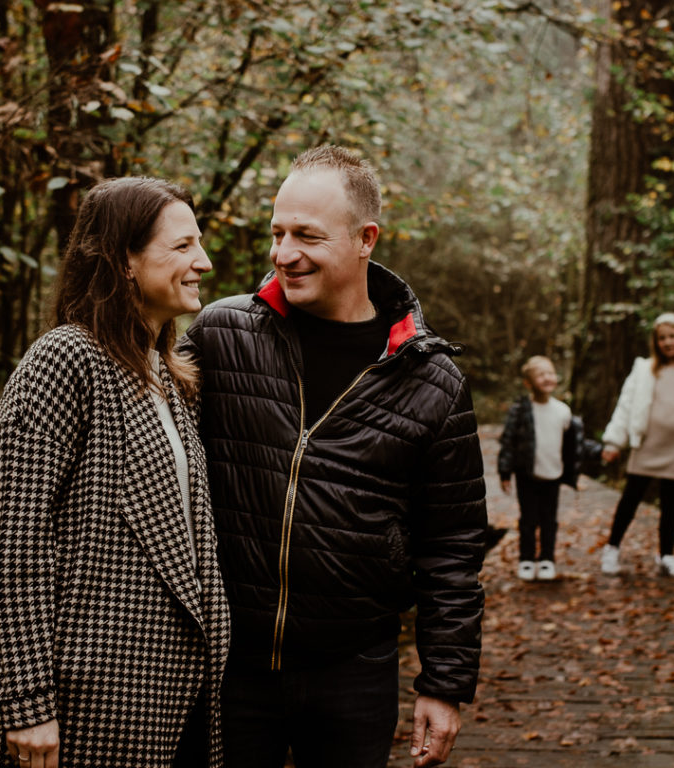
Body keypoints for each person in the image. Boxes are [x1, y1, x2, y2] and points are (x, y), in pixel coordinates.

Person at [179, 145, 487, 768]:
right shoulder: (220, 334)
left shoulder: (434, 382)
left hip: (355, 670)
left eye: (307, 236)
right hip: (226, 669)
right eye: (278, 232)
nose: (283, 253)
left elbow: (452, 545)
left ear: (365, 238)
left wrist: (444, 683)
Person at [0, 177, 229, 768]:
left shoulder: (166, 375)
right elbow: (18, 542)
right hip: (89, 706)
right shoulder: (64, 360)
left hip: (183, 697)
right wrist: (27, 701)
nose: (204, 261)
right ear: (123, 259)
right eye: (182, 247)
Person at [599, 311, 674, 577]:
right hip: (647, 445)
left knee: (671, 503)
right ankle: (612, 548)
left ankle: (666, 554)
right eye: (662, 338)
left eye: (672, 336)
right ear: (655, 341)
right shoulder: (645, 369)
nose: (668, 342)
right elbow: (626, 405)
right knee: (631, 497)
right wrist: (614, 441)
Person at [497, 355, 592, 582]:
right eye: (541, 375)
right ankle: (526, 559)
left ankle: (547, 559)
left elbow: (572, 447)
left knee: (549, 519)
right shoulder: (520, 411)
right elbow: (508, 441)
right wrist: (505, 472)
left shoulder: (563, 411)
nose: (547, 378)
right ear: (528, 382)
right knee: (528, 518)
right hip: (527, 474)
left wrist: (575, 473)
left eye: (550, 373)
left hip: (553, 475)